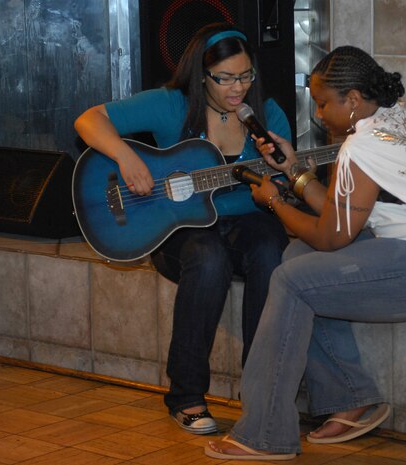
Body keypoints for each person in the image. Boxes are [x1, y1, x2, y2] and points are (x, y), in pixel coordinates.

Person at [205, 45, 406, 460]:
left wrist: (274, 203)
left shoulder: (362, 146)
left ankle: (263, 434)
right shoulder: (402, 118)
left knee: (291, 279)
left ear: (352, 99)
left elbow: (333, 237)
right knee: (296, 258)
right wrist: (292, 170)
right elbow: (341, 214)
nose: (318, 114)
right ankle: (350, 398)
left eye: (324, 103)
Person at [74, 23, 291, 434]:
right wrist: (125, 157)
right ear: (201, 74)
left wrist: (285, 171)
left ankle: (262, 392)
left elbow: (282, 183)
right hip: (179, 228)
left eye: (245, 76)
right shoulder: (171, 105)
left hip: (245, 221)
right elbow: (89, 120)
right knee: (208, 259)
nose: (237, 87)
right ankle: (186, 396)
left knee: (270, 249)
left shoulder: (266, 113)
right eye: (224, 78)